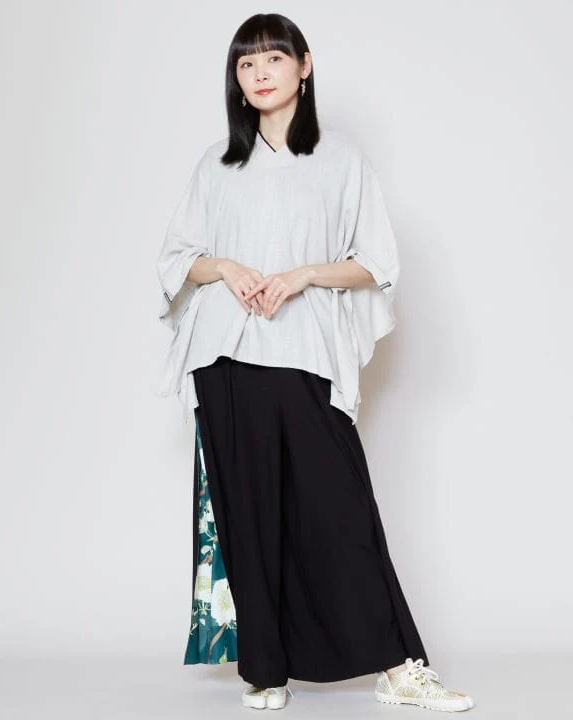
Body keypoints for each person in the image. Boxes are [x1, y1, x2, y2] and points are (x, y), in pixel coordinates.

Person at [156, 12, 475, 714]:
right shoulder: (217, 163)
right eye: (245, 64)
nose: (259, 73)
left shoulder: (341, 159)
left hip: (304, 352)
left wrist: (302, 276)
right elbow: (177, 259)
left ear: (304, 65)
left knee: (340, 513)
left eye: (273, 58)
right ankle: (265, 668)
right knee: (247, 514)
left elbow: (376, 262)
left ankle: (399, 666)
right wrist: (226, 267)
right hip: (224, 355)